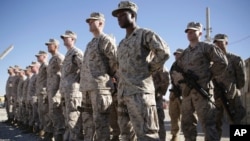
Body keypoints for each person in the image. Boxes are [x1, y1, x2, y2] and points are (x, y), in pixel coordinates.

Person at [112, 1, 170, 140]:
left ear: (132, 15)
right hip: (123, 95)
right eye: (117, 15)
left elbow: (164, 52)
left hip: (140, 93)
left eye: (122, 14)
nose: (118, 18)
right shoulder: (122, 43)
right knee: (125, 136)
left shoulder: (145, 34)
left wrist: (148, 69)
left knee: (147, 136)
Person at [174, 22, 228, 141]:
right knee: (187, 126)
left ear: (200, 33)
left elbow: (222, 62)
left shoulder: (207, 47)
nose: (190, 33)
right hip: (187, 94)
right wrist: (180, 81)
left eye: (193, 31)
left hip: (202, 92)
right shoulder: (184, 53)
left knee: (208, 125)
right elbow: (175, 69)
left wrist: (208, 74)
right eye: (188, 31)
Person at [80, 12, 117, 141]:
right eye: (89, 22)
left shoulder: (106, 40)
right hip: (87, 88)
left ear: (101, 23)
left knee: (101, 124)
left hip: (100, 89)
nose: (89, 23)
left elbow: (115, 63)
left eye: (92, 21)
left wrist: (107, 78)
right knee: (88, 124)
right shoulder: (90, 43)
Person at [212, 34, 246, 139]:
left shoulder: (236, 59)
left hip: (232, 96)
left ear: (226, 43)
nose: (218, 44)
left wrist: (233, 90)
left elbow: (241, 80)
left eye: (220, 42)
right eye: (216, 42)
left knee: (236, 121)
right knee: (215, 123)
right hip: (217, 97)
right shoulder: (212, 62)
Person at [60, 30, 83, 141]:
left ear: (73, 39)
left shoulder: (76, 52)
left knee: (74, 119)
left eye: (66, 38)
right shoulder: (67, 55)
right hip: (66, 92)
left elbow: (84, 69)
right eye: (63, 38)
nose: (64, 40)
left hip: (74, 92)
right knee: (67, 119)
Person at [45, 38, 65, 141]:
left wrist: (60, 90)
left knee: (57, 114)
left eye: (50, 45)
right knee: (52, 114)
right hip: (51, 91)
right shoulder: (51, 59)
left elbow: (64, 73)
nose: (48, 46)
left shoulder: (59, 57)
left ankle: (59, 137)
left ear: (56, 46)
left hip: (57, 91)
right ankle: (55, 135)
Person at [168, 48, 184, 141]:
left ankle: (188, 136)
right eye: (175, 54)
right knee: (173, 115)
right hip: (174, 94)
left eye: (178, 54)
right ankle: (175, 136)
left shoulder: (186, 65)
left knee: (186, 117)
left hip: (184, 94)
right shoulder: (173, 65)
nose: (176, 56)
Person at [152, 66, 170, 141]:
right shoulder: (144, 62)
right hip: (145, 97)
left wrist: (160, 93)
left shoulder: (160, 66)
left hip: (156, 98)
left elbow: (166, 81)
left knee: (159, 121)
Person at [35, 50, 49, 138]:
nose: (37, 58)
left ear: (44, 56)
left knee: (46, 113)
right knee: (41, 113)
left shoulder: (46, 65)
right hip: (40, 93)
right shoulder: (41, 67)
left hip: (45, 93)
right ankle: (44, 130)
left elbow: (50, 78)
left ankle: (47, 132)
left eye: (39, 56)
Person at [27, 61, 40, 134]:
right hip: (31, 97)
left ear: (37, 67)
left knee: (36, 114)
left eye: (32, 67)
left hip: (35, 97)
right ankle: (33, 128)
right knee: (32, 114)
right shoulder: (33, 76)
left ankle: (38, 129)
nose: (31, 68)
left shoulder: (38, 75)